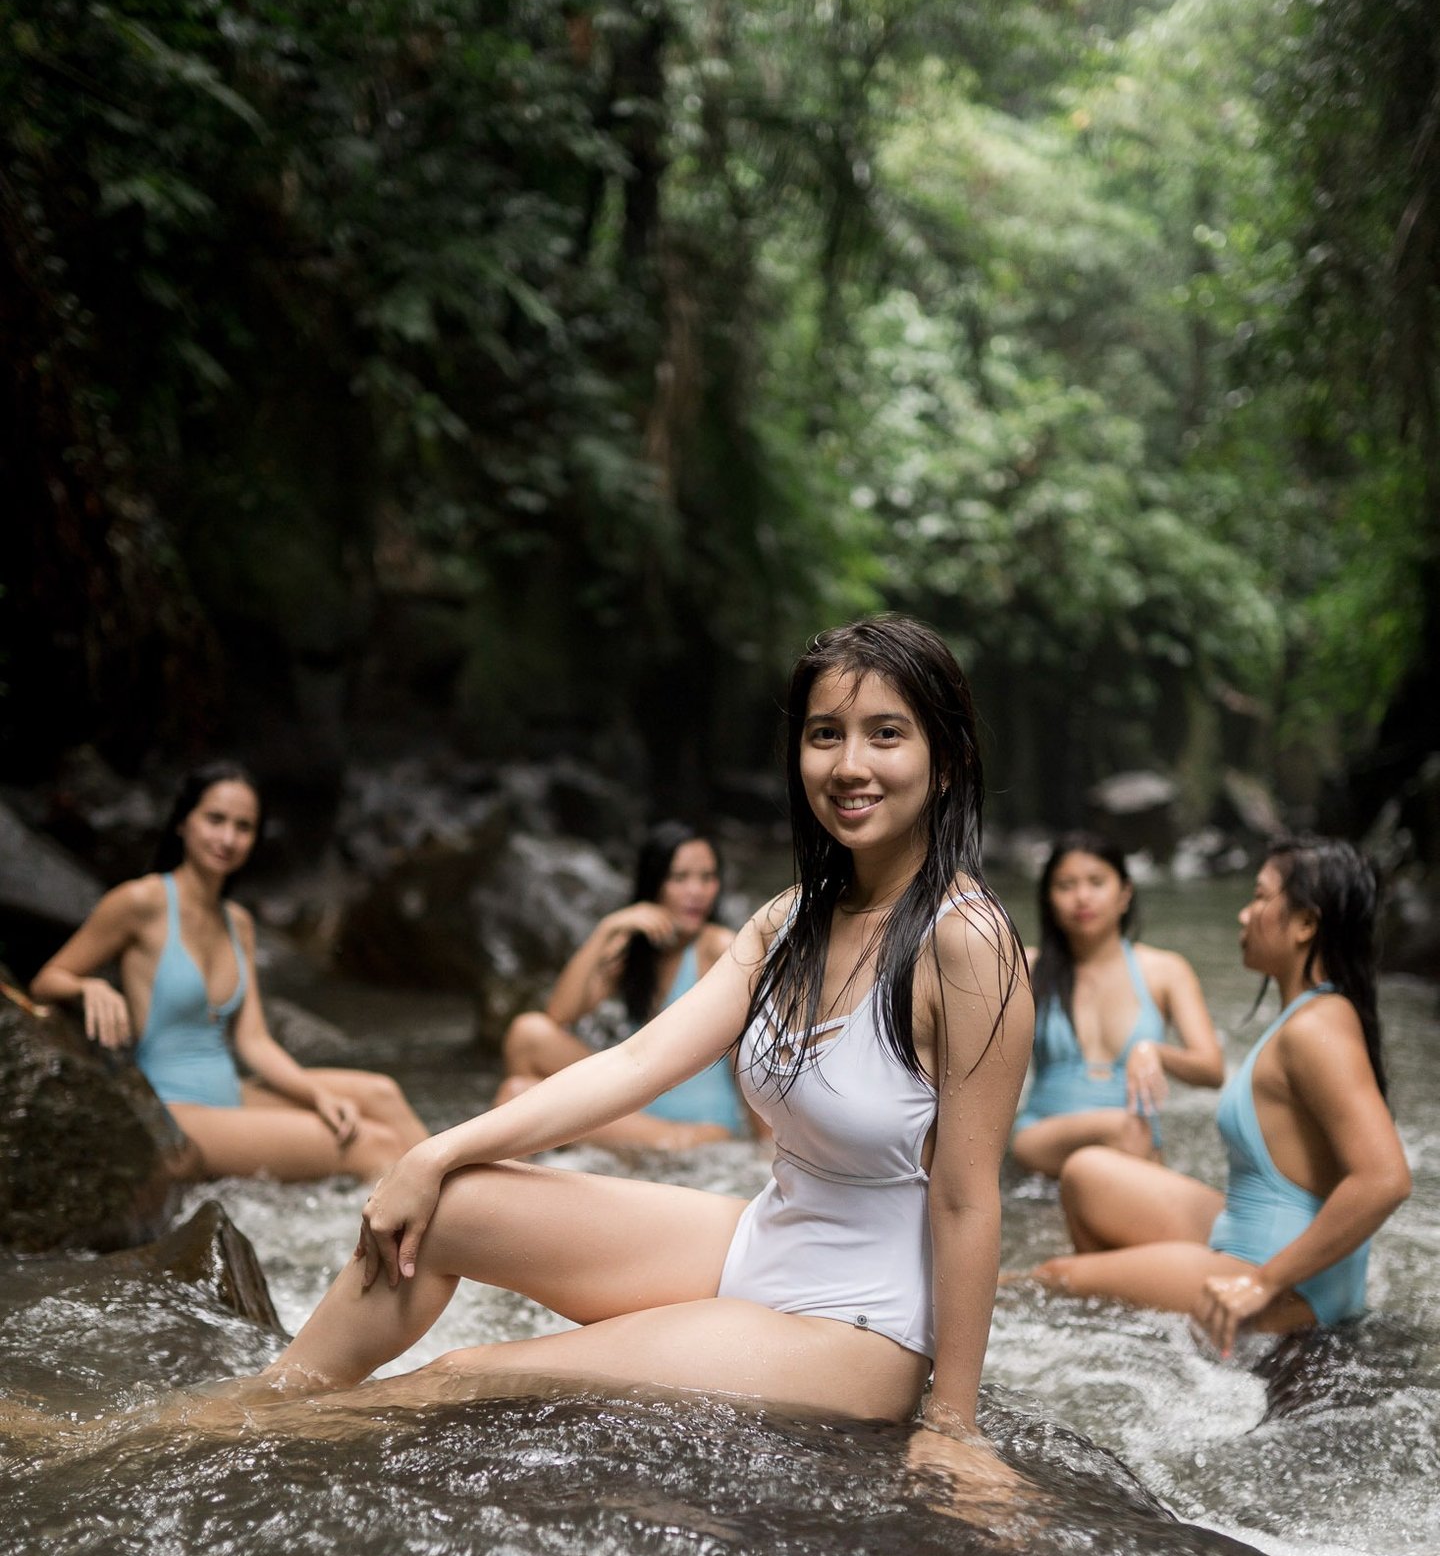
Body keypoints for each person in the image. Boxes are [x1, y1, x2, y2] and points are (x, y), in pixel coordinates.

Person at [21, 618, 1028, 1499]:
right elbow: (630, 1064)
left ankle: (167, 1445)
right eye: (825, 734)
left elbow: (967, 1201)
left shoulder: (966, 943)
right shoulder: (791, 921)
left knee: (464, 1378)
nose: (850, 765)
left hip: (864, 1326)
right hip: (764, 1244)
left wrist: (954, 1424)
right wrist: (435, 1153)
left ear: (944, 757)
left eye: (885, 733)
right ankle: (270, 1401)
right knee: (445, 1208)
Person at [1019, 836, 1411, 1352]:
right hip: (1245, 1228)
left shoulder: (1319, 1027)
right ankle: (1148, 1332)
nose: (1243, 916)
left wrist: (1262, 1283)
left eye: (1260, 898)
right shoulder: (1309, 1014)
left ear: (1305, 924)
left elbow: (1386, 1179)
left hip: (1284, 1277)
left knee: (1051, 1279)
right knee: (1089, 1175)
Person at [31, 761, 429, 1183]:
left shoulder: (237, 921)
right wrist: (87, 987)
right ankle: (436, 1238)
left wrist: (317, 1095)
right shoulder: (139, 903)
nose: (228, 838)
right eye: (215, 819)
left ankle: (469, 1201)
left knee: (382, 1094)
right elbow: (45, 981)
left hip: (232, 1093)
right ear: (184, 822)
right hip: (176, 1111)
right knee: (374, 1146)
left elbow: (253, 1040)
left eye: (243, 827)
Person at [495, 822, 757, 1150]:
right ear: (654, 884)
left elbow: (755, 1052)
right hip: (637, 1108)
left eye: (707, 877)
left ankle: (517, 1182)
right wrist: (607, 929)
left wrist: (768, 1146)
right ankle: (549, 1166)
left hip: (693, 1135)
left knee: (519, 1094)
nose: (697, 892)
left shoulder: (719, 948)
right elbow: (559, 1014)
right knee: (527, 1034)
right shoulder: (637, 950)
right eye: (680, 878)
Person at [1011, 833, 1223, 1177]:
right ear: (1049, 900)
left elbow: (1212, 1071)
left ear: (1124, 894)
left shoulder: (1165, 971)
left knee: (1128, 1132)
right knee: (1126, 1129)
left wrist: (1155, 1051)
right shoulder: (1026, 968)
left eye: (1096, 882)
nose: (1082, 897)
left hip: (1130, 1138)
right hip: (1044, 1136)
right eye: (1066, 885)